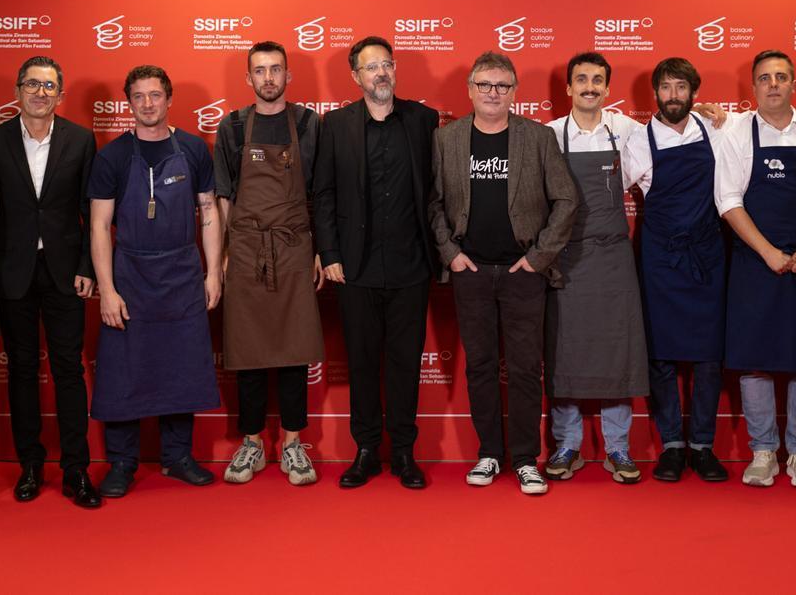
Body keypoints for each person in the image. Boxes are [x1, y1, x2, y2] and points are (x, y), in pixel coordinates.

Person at [628, 58, 796, 483]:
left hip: (707, 253)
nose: (672, 95)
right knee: (661, 357)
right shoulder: (635, 139)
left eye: (681, 87)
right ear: (655, 94)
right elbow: (607, 192)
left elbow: (776, 115)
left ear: (693, 93)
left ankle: (702, 446)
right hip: (661, 257)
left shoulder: (721, 128)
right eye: (665, 88)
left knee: (708, 357)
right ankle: (671, 446)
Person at [430, 51, 579, 495]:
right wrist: (450, 253)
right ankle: (489, 453)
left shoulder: (537, 138)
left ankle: (525, 458)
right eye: (485, 85)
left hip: (522, 273)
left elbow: (567, 200)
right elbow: (432, 203)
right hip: (470, 270)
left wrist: (538, 258)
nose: (493, 93)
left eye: (502, 86)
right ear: (470, 90)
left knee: (524, 369)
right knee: (478, 366)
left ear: (515, 92)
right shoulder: (447, 139)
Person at [88, 65, 221, 497]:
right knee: (123, 370)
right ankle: (122, 463)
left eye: (155, 95)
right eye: (139, 97)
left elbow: (210, 212)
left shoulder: (194, 150)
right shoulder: (110, 156)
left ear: (169, 99)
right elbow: (99, 226)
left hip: (182, 272)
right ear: (129, 103)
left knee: (181, 366)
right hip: (129, 275)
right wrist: (107, 289)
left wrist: (213, 270)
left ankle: (178, 457)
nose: (148, 104)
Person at [314, 36, 439, 489]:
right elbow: (323, 194)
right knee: (363, 363)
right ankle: (366, 450)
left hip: (412, 266)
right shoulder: (336, 126)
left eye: (387, 64)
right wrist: (329, 254)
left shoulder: (424, 121)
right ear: (356, 76)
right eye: (371, 67)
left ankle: (404, 452)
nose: (381, 73)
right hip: (355, 267)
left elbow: (437, 192)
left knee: (405, 363)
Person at [715, 50, 796, 488]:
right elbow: (728, 200)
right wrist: (768, 251)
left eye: (781, 77)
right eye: (765, 78)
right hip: (756, 261)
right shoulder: (734, 130)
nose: (773, 84)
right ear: (753, 87)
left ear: (794, 84)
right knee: (755, 361)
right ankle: (764, 450)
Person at [0, 56, 100, 508]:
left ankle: (76, 471)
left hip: (66, 273)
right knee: (23, 371)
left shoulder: (82, 140)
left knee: (69, 371)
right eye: (32, 84)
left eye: (49, 86)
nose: (40, 93)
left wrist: (87, 266)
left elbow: (92, 213)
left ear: (60, 94)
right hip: (12, 273)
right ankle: (30, 465)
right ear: (17, 91)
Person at [214, 41, 325, 486]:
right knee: (248, 352)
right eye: (259, 71)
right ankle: (253, 444)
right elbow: (224, 196)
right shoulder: (234, 126)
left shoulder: (308, 123)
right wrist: (225, 250)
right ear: (248, 78)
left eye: (275, 70)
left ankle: (295, 445)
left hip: (296, 245)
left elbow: (321, 191)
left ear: (288, 75)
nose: (268, 78)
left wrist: (320, 248)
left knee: (295, 350)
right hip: (245, 248)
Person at [542, 52, 648, 484]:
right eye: (581, 79)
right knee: (564, 349)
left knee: (617, 349)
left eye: (597, 80)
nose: (589, 87)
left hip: (612, 256)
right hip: (565, 257)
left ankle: (618, 447)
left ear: (607, 88)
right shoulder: (548, 136)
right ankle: (567, 444)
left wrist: (708, 114)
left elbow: (675, 138)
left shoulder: (626, 131)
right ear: (568, 88)